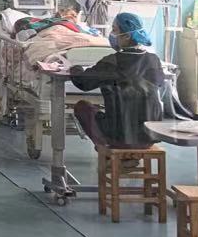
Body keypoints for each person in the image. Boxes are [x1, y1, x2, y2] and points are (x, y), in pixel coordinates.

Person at [69, 11, 165, 149]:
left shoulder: (112, 62)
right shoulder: (153, 60)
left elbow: (83, 83)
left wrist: (74, 68)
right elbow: (159, 83)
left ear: (126, 36)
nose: (112, 34)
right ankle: (128, 156)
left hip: (119, 136)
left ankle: (104, 146)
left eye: (114, 30)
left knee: (82, 107)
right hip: (150, 135)